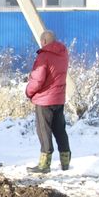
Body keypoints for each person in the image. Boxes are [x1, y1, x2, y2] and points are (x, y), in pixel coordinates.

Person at [25, 29, 71, 173]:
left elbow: (38, 79)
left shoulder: (44, 56)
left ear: (44, 41)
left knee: (44, 131)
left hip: (44, 100)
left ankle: (44, 164)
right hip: (59, 98)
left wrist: (28, 91)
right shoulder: (63, 54)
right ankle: (65, 161)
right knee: (60, 130)